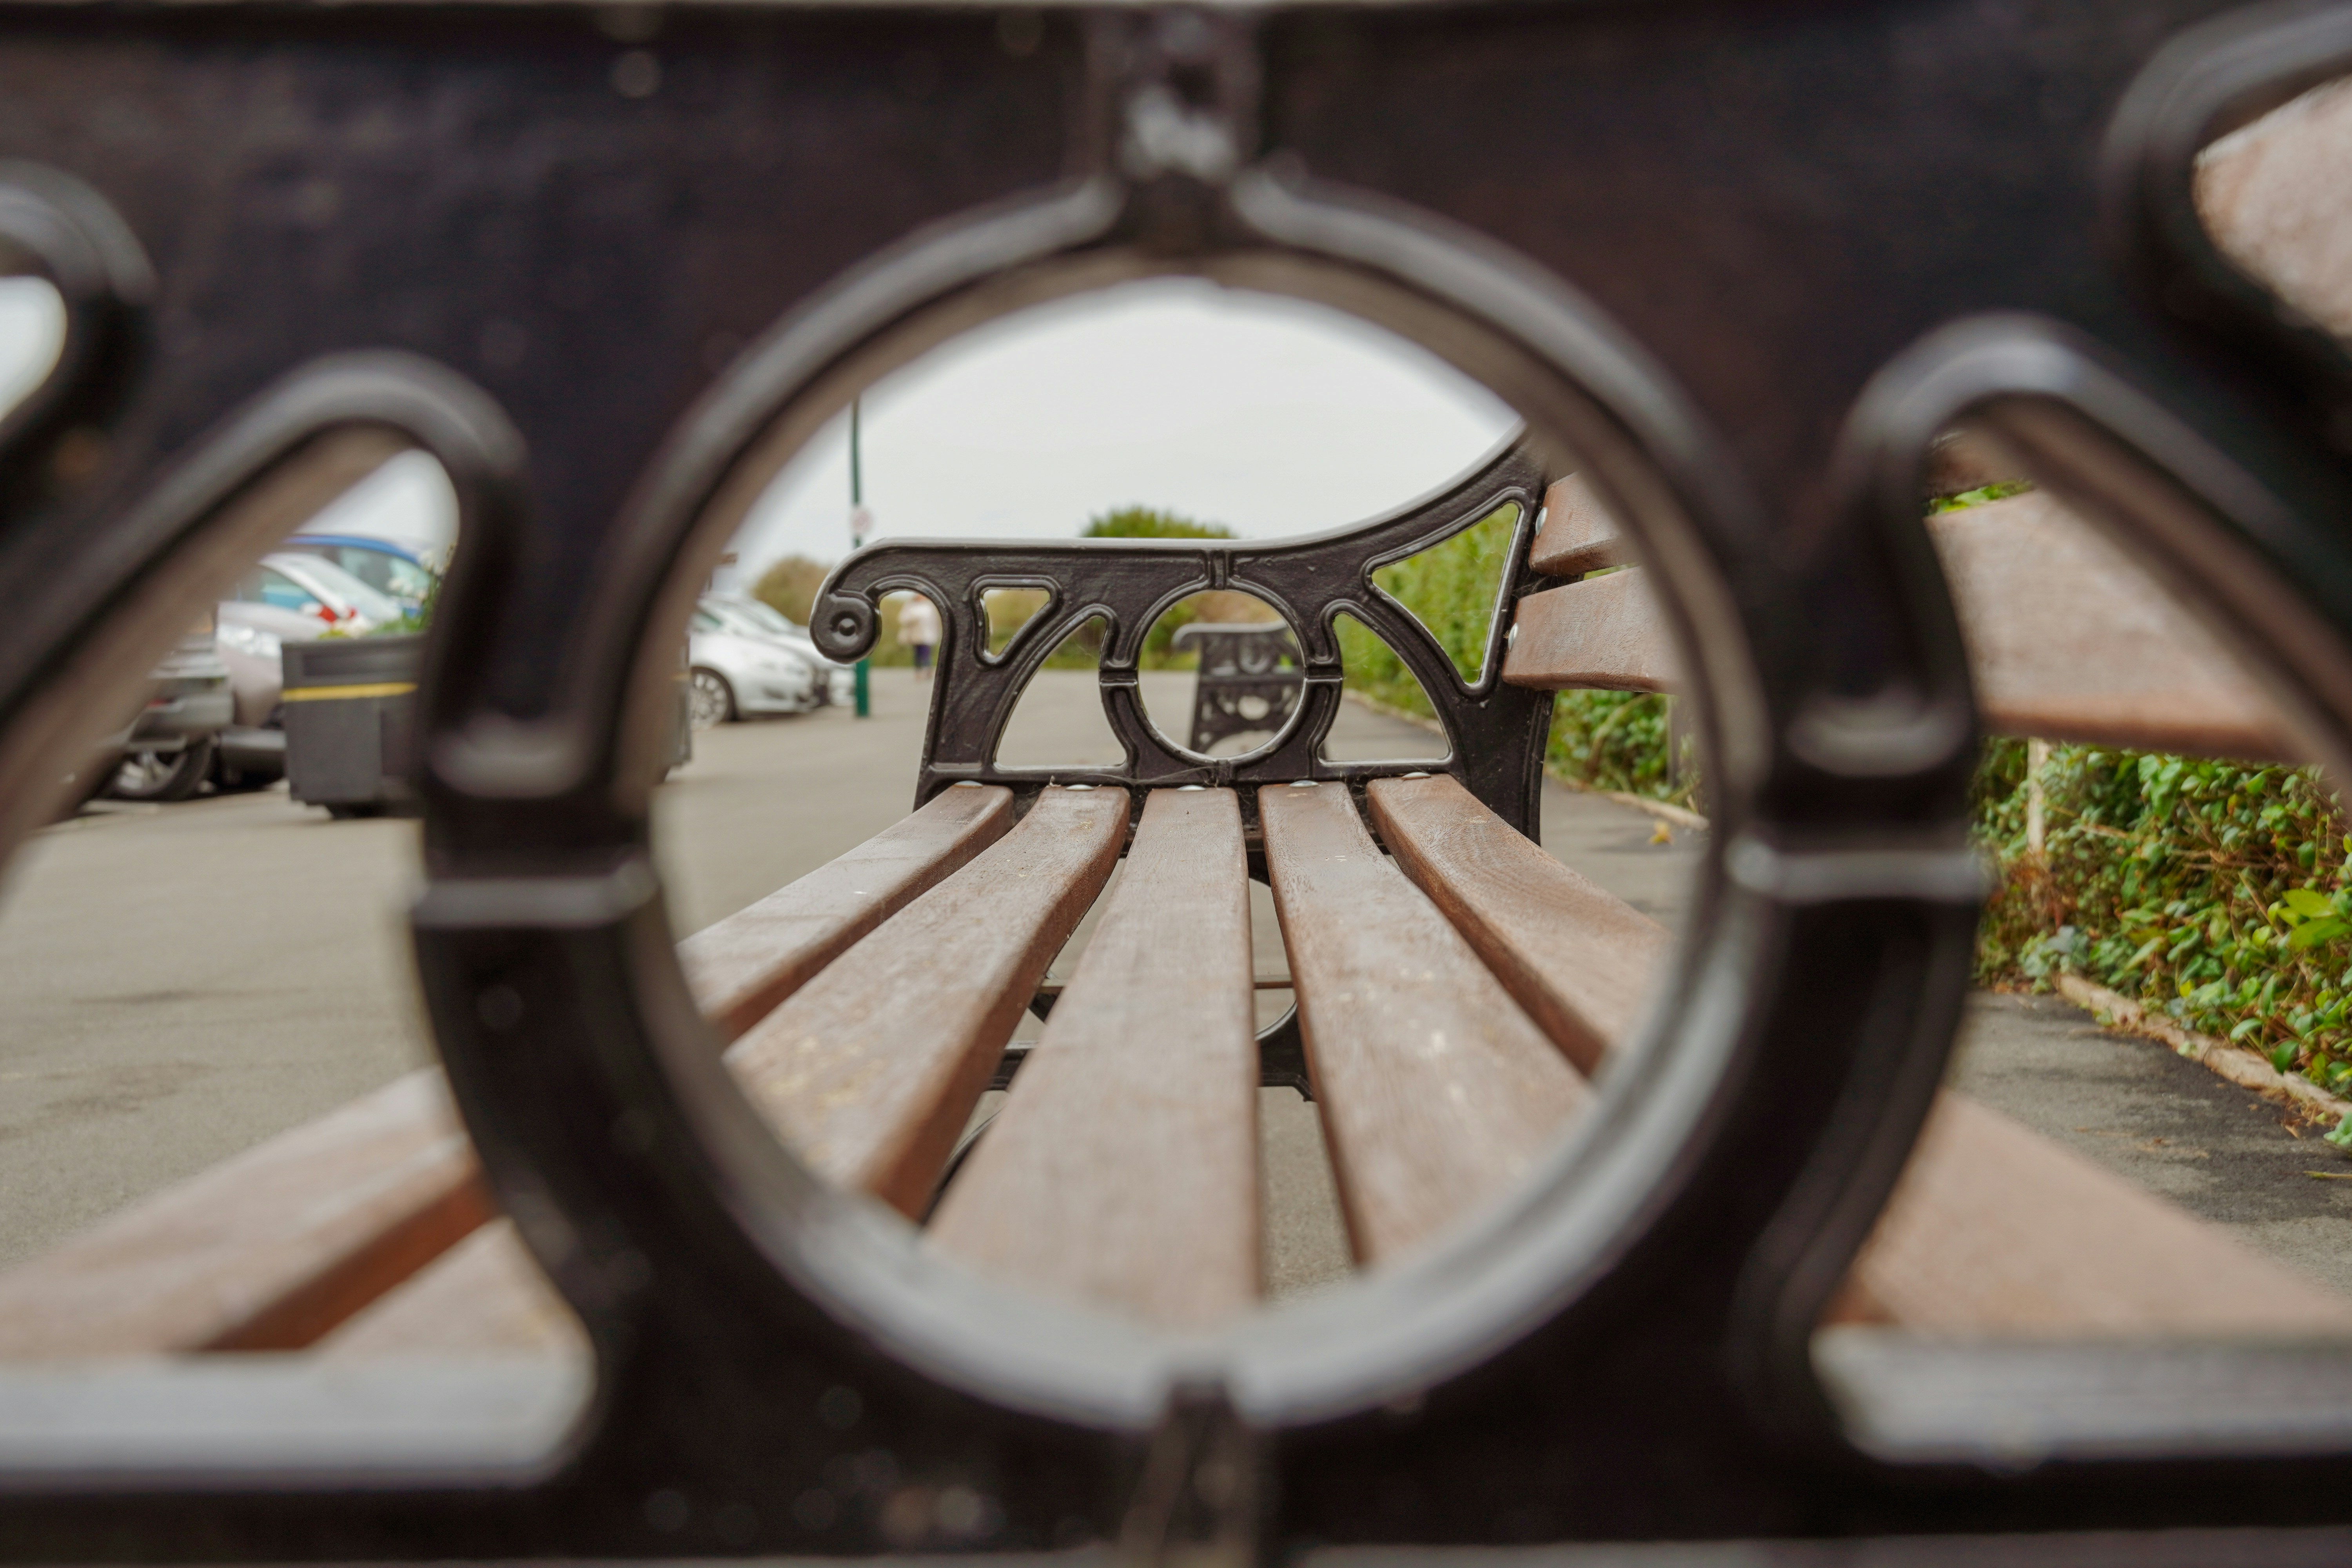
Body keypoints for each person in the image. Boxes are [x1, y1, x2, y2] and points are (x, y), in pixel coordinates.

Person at [897, 593, 942, 681]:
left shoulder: (930, 606)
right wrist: (914, 618)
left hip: (929, 634)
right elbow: (903, 619)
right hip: (916, 635)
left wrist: (937, 633)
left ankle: (928, 670)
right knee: (918, 654)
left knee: (927, 653)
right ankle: (919, 672)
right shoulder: (910, 606)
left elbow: (935, 621)